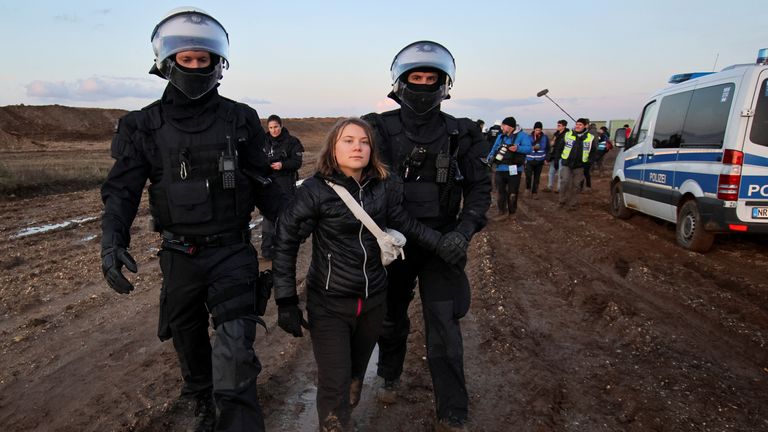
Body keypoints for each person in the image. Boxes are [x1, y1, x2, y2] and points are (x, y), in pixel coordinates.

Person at [100, 7, 284, 431]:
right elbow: (122, 191)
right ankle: (201, 396)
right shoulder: (142, 125)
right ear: (168, 63)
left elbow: (266, 186)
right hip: (179, 253)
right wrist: (112, 240)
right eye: (188, 59)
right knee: (187, 335)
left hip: (233, 250)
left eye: (204, 59)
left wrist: (306, 225)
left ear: (218, 64)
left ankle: (237, 418)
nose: (197, 66)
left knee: (236, 347)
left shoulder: (240, 119)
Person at [272, 118, 464, 432]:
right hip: (330, 303)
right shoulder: (315, 190)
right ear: (333, 147)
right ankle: (334, 424)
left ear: (372, 149)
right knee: (334, 383)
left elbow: (406, 223)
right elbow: (286, 239)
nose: (357, 147)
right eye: (348, 140)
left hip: (373, 301)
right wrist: (285, 299)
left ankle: (347, 404)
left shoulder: (384, 185)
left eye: (363, 141)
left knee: (354, 377)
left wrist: (445, 245)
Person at [361, 41, 491, 431]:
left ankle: (452, 411)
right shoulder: (378, 128)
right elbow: (377, 194)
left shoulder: (463, 133)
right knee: (390, 317)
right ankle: (388, 373)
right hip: (393, 243)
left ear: (444, 83)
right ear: (400, 83)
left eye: (429, 78)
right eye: (414, 78)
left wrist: (464, 232)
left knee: (445, 325)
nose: (422, 85)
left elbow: (481, 190)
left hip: (445, 245)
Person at [261, 114, 304, 260]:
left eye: (276, 127)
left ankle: (288, 247)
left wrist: (282, 165)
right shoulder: (262, 142)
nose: (273, 130)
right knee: (268, 217)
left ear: (281, 126)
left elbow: (297, 162)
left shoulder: (292, 142)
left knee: (287, 215)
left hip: (286, 182)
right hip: (268, 183)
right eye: (271, 127)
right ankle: (267, 250)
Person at [487, 117, 532, 219]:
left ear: (509, 126)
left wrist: (518, 148)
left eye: (503, 125)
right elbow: (494, 149)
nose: (501, 127)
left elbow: (529, 149)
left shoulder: (522, 136)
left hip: (514, 169)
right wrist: (489, 159)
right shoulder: (501, 136)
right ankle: (501, 212)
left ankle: (512, 213)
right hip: (500, 168)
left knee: (512, 192)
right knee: (500, 191)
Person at [558, 118, 596, 210]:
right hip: (567, 163)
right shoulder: (568, 135)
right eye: (577, 124)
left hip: (580, 165)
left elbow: (593, 151)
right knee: (564, 182)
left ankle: (573, 204)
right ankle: (562, 200)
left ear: (585, 126)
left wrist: (588, 162)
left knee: (576, 185)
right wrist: (557, 158)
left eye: (580, 125)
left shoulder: (590, 137)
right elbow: (560, 147)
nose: (578, 126)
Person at [524, 121, 548, 199]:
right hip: (529, 159)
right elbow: (525, 147)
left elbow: (547, 149)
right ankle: (527, 188)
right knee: (528, 176)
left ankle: (535, 192)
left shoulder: (545, 138)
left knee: (537, 178)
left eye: (539, 130)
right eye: (536, 129)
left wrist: (546, 158)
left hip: (539, 160)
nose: (538, 131)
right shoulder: (528, 137)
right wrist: (532, 148)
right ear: (534, 129)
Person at [543, 120, 568, 193]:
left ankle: (559, 188)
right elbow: (551, 146)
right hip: (554, 156)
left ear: (564, 126)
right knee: (551, 172)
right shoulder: (556, 134)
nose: (557, 127)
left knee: (560, 173)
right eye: (557, 125)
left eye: (559, 125)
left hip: (561, 156)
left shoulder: (567, 135)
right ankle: (549, 186)